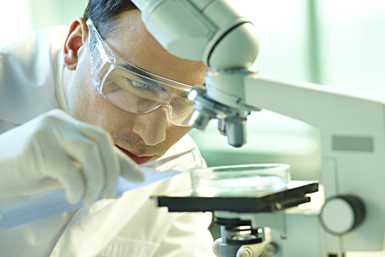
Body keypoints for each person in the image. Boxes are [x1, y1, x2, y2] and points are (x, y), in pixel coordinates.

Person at [0, 1, 215, 257]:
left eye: (187, 100)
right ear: (76, 45)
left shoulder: (179, 167)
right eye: (137, 85)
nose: (153, 136)